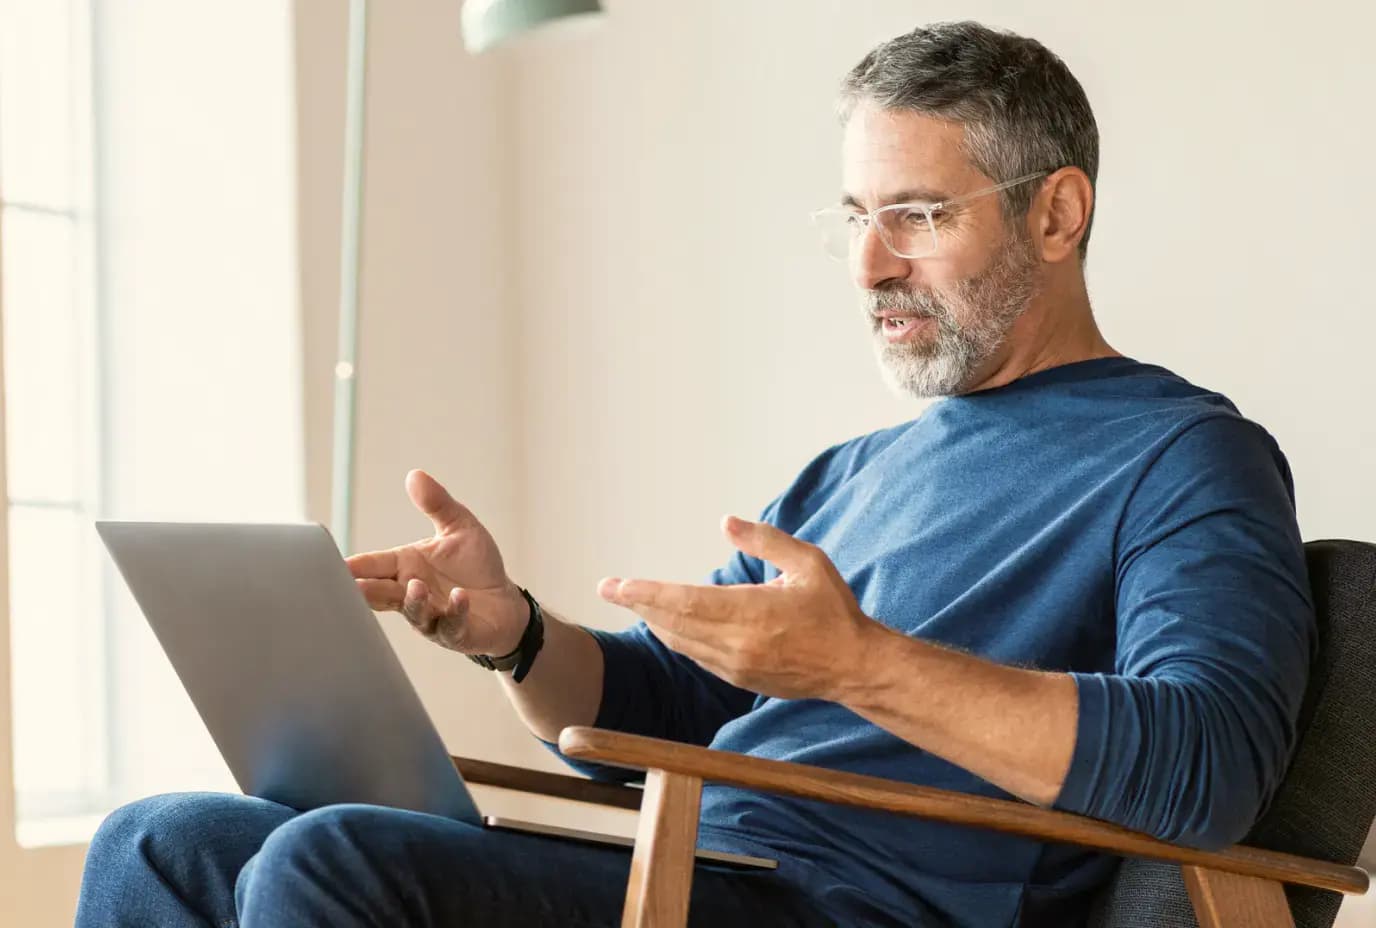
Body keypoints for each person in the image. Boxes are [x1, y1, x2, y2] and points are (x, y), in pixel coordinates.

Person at [74, 20, 1315, 928]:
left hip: (857, 911)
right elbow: (668, 708)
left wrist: (859, 664)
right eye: (851, 215)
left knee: (331, 866)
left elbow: (1204, 765)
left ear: (1055, 215)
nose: (868, 263)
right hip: (703, 873)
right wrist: (512, 637)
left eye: (919, 216)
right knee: (161, 840)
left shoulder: (1183, 456)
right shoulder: (854, 470)